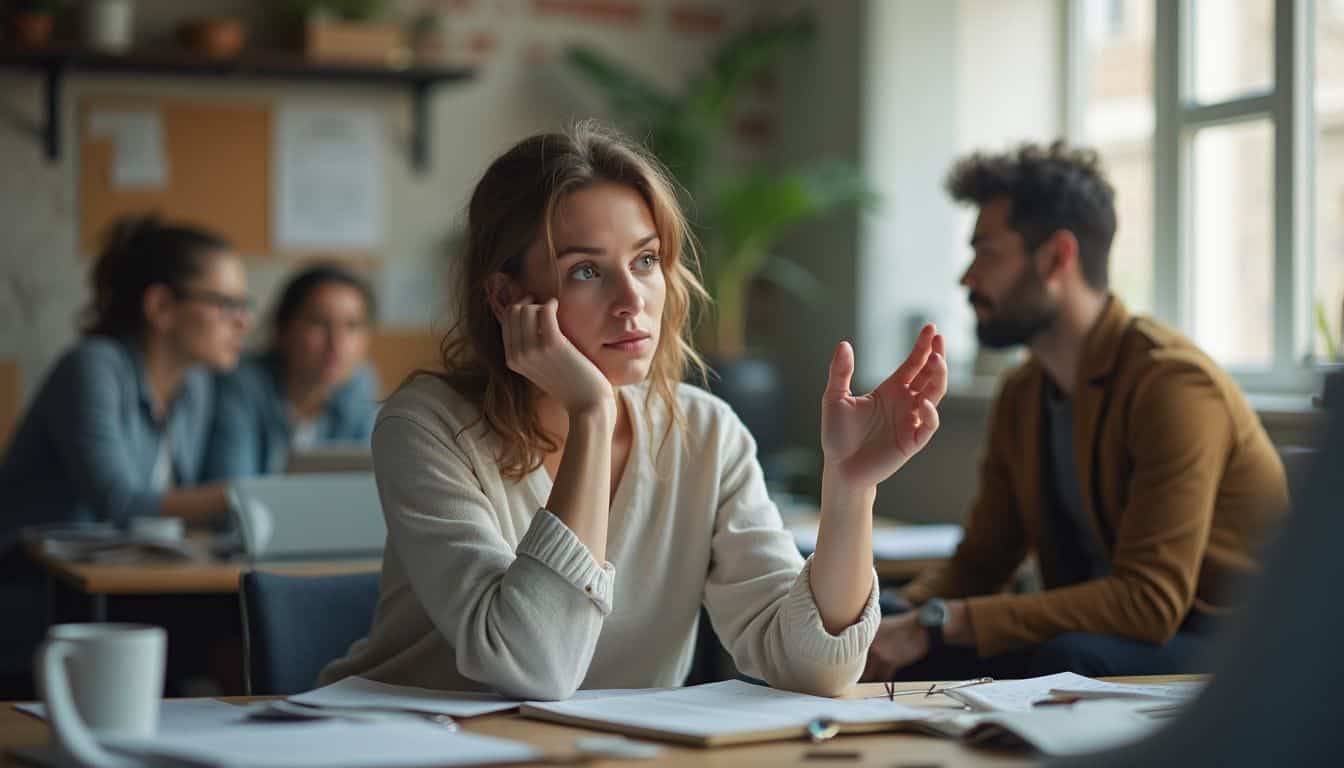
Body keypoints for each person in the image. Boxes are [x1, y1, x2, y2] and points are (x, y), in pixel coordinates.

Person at [319, 122, 948, 699]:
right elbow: (532, 668)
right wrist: (591, 413)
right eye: (587, 271)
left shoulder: (705, 433)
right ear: (508, 295)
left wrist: (849, 489)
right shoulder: (427, 426)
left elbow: (815, 669)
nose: (632, 301)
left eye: (646, 261)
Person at [863, 142, 1288, 682]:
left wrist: (938, 622)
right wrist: (889, 617)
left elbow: (1149, 603)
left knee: (1067, 660)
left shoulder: (1174, 384)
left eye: (987, 253)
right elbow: (981, 562)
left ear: (1057, 257)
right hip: (1098, 636)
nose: (967, 277)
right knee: (863, 651)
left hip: (1226, 645)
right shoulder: (1023, 393)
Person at [0, 214, 251, 696]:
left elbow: (181, 509)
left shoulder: (196, 386)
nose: (243, 321)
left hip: (122, 586)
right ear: (161, 306)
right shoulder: (91, 366)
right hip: (35, 587)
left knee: (245, 617)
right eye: (225, 304)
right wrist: (245, 495)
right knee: (224, 632)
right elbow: (117, 501)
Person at [204, 264, 379, 479]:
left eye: (352, 326)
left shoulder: (359, 384)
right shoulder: (241, 384)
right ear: (282, 329)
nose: (337, 343)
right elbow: (235, 491)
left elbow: (362, 486)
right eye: (319, 323)